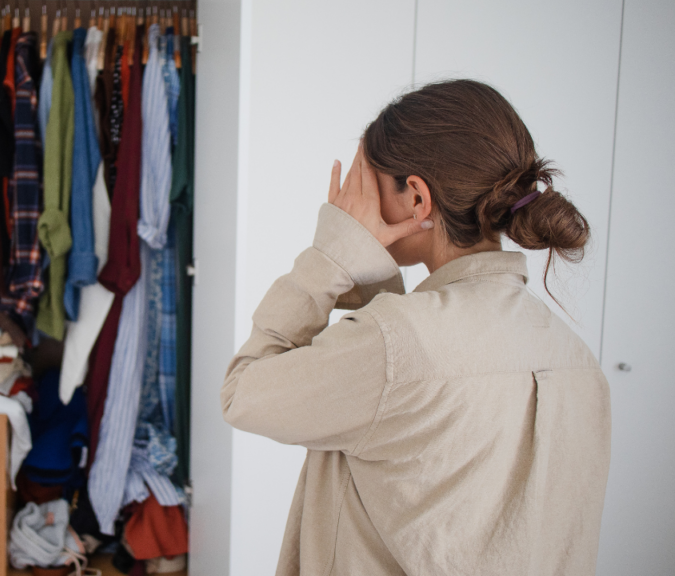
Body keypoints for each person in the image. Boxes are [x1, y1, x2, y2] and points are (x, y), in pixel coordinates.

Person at [221, 79, 611, 575]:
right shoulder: (576, 358)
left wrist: (331, 257)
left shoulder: (393, 345)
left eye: (366, 186)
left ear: (417, 199)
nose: (351, 202)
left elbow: (242, 392)